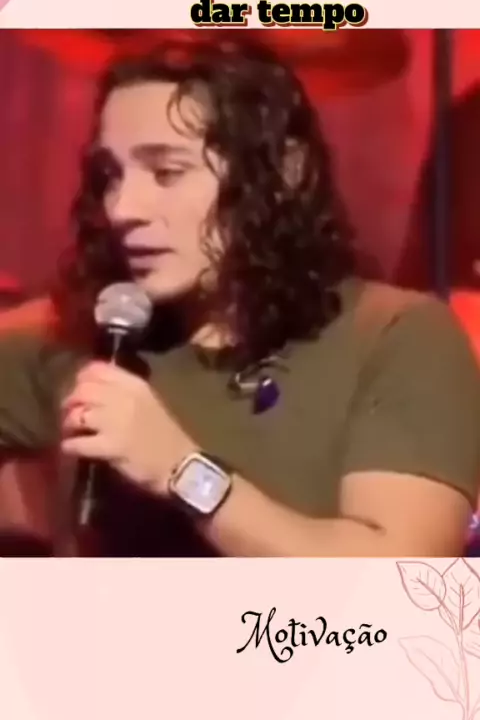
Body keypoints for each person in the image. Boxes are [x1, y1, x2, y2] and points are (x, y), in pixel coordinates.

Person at [0, 34, 479, 558]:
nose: (122, 208)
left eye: (167, 172)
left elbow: (401, 580)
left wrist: (181, 471)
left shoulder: (395, 335)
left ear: (283, 172)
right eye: (111, 176)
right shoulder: (80, 336)